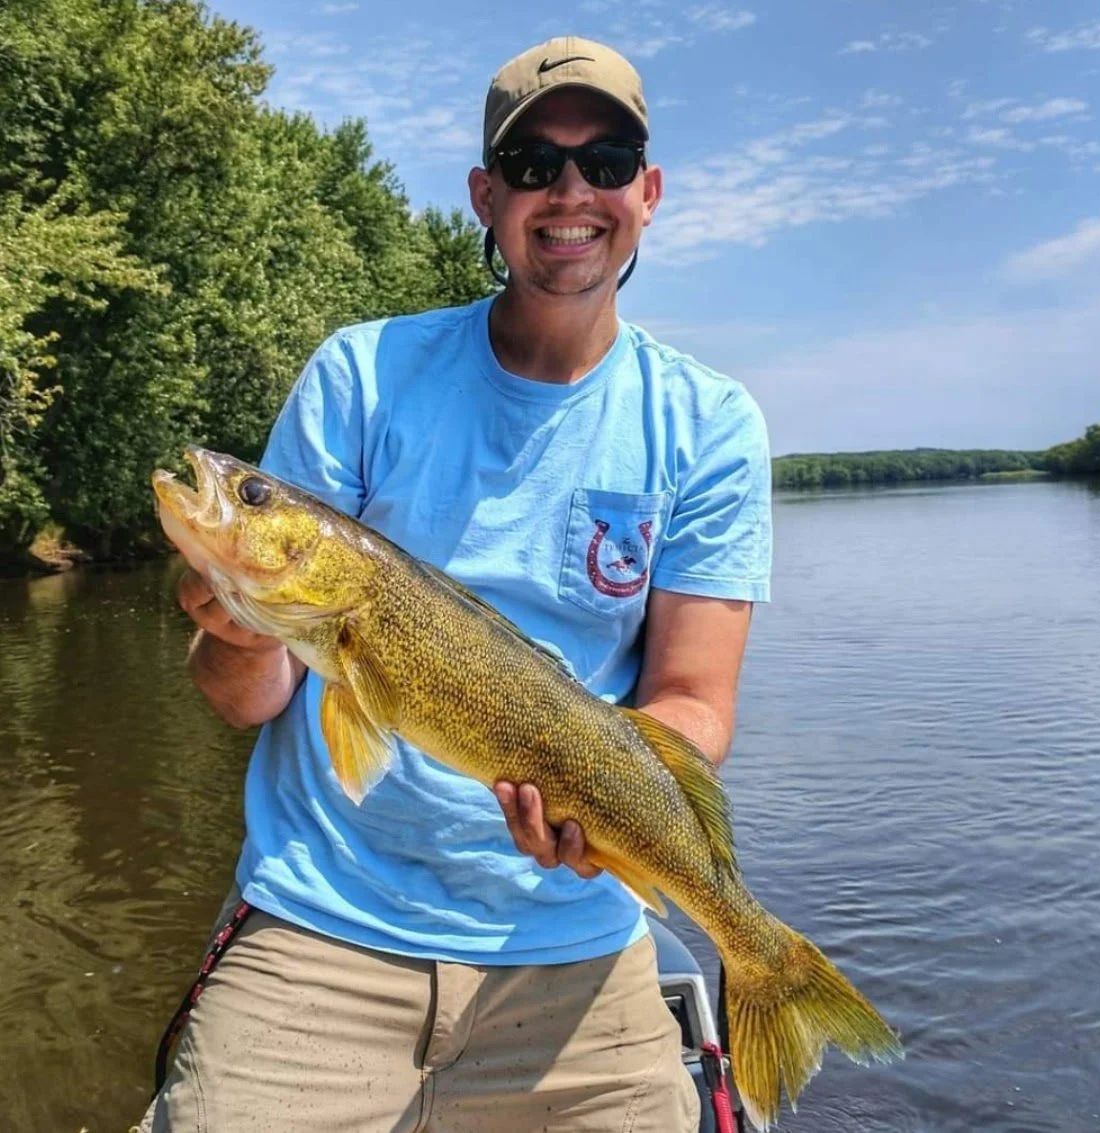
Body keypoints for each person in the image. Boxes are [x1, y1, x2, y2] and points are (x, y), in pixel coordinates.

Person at [141, 34, 772, 1133]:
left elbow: (691, 704)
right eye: (532, 164)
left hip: (573, 936)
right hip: (321, 920)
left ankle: (765, 962)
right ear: (486, 196)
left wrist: (595, 808)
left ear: (647, 193)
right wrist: (238, 625)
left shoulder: (709, 423)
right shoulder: (361, 373)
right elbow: (247, 700)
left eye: (605, 161)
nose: (569, 191)